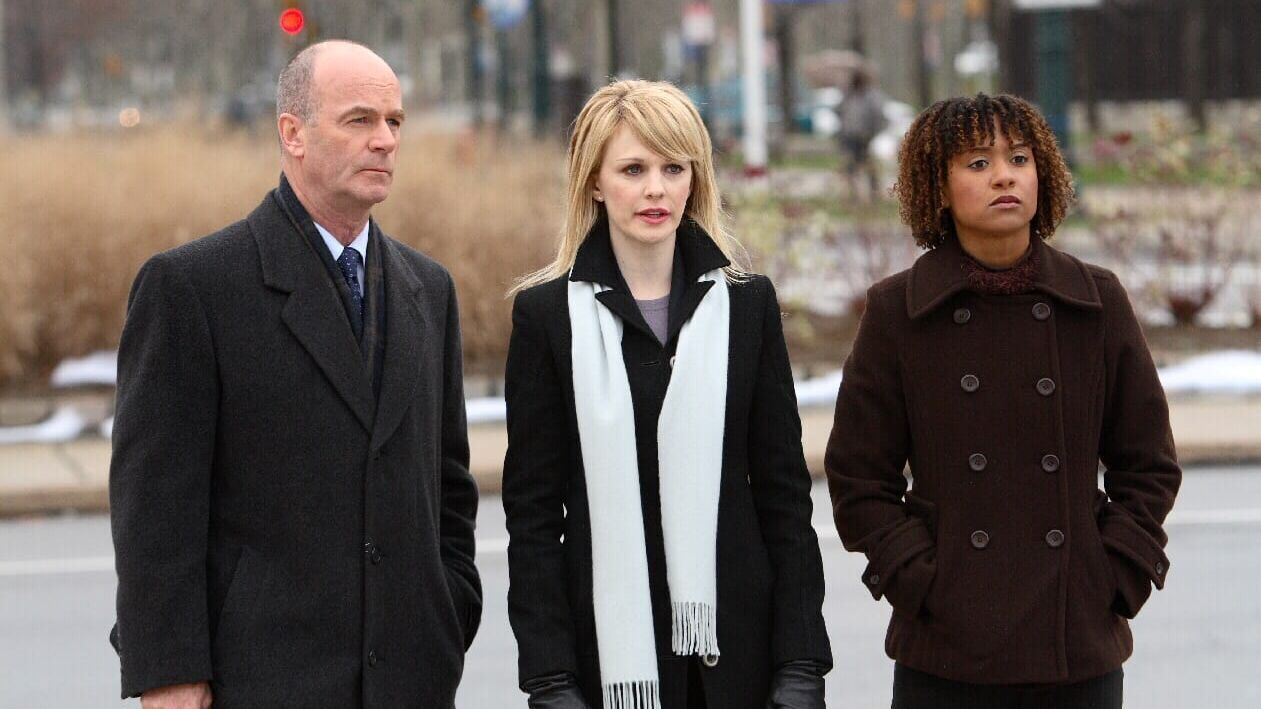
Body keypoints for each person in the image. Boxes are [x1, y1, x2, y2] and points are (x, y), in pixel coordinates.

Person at [109, 40, 481, 708]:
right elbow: (154, 510)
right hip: (258, 682)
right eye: (359, 119)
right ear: (293, 133)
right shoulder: (193, 287)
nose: (385, 140)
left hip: (411, 682)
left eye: (394, 121)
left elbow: (448, 485)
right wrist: (169, 672)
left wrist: (448, 611)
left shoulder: (429, 289)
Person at [825, 93, 1181, 708]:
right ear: (937, 187)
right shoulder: (898, 312)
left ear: (1044, 173)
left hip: (1074, 647)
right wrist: (920, 582)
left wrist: (1116, 574)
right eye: (977, 163)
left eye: (1019, 158)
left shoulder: (1095, 301)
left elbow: (1148, 463)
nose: (1004, 176)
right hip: (947, 654)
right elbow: (858, 479)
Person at [501, 80, 832, 709]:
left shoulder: (747, 307)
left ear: (694, 179)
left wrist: (801, 665)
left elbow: (786, 498)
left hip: (741, 662)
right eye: (633, 169)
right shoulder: (546, 319)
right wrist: (550, 679)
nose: (656, 188)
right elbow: (534, 518)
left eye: (673, 168)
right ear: (595, 183)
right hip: (606, 665)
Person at [835, 67, 888, 203]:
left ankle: (874, 192)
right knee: (850, 165)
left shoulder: (870, 95)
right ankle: (853, 193)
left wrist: (873, 131)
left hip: (865, 136)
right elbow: (838, 110)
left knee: (869, 165)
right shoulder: (848, 95)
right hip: (849, 135)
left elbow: (879, 115)